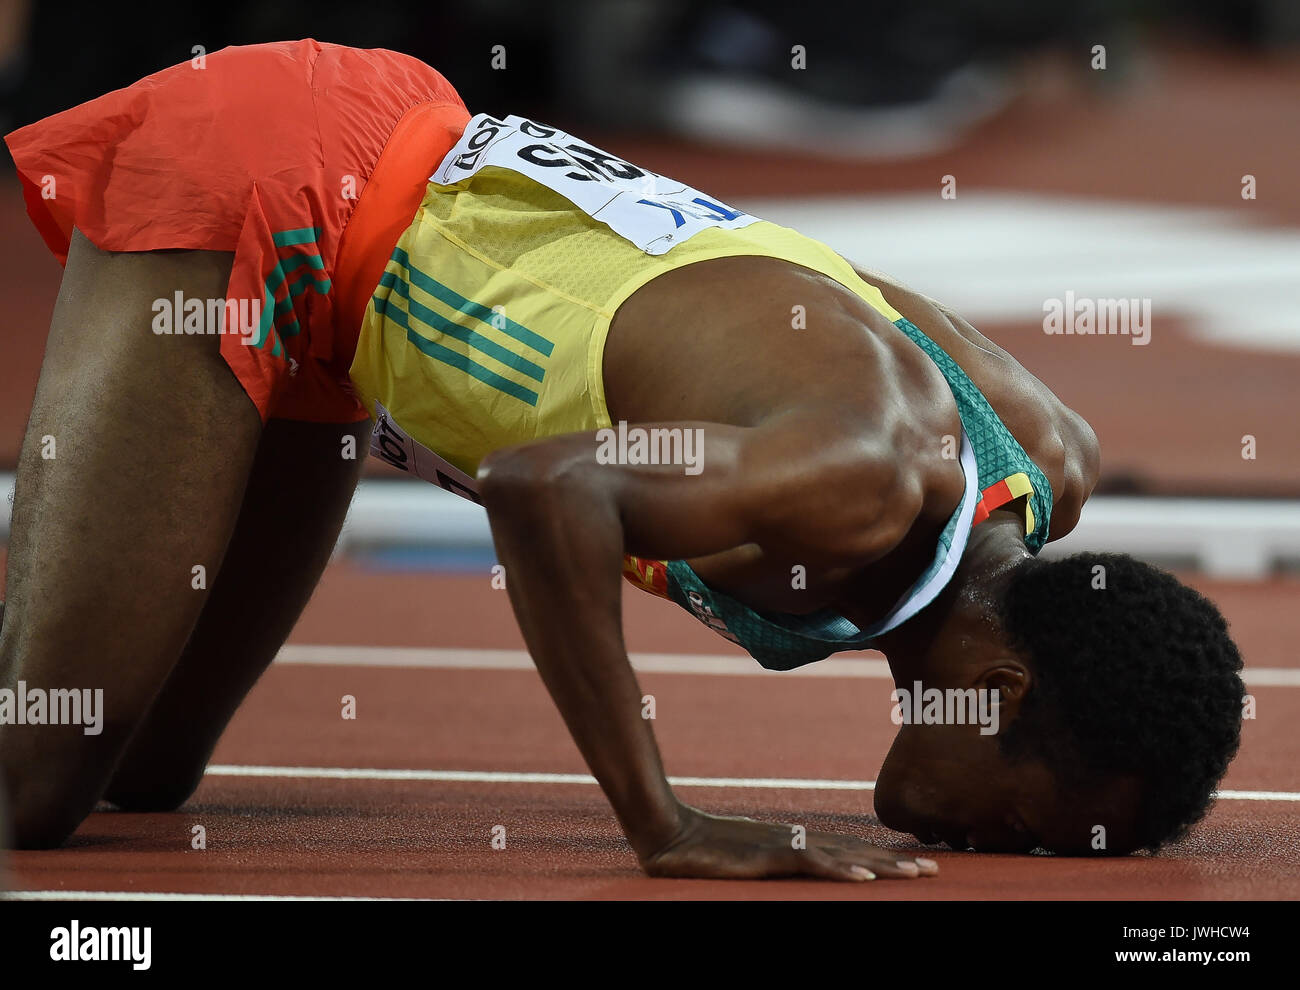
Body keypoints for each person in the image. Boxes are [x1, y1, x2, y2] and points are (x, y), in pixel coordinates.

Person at [0, 41, 1244, 881]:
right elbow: (552, 486)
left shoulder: (1045, 459)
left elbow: (824, 281)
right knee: (32, 782)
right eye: (1027, 828)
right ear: (1004, 692)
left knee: (148, 772)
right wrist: (666, 824)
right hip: (289, 193)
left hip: (376, 290)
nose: (998, 852)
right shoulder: (857, 484)